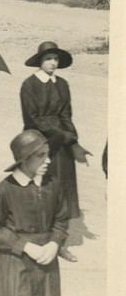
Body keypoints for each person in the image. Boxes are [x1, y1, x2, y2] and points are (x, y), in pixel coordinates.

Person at [0, 129, 70, 296]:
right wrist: (24, 246)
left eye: (48, 154)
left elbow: (61, 219)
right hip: (16, 262)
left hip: (47, 258)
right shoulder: (5, 189)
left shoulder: (53, 184)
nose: (48, 160)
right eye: (40, 155)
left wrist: (55, 243)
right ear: (24, 160)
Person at [19, 41, 89, 241]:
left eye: (55, 59)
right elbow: (31, 117)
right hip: (40, 140)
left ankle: (59, 242)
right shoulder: (29, 84)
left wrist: (72, 137)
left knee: (63, 188)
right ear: (40, 61)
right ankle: (39, 238)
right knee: (42, 187)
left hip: (62, 142)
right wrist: (58, 133)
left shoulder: (62, 84)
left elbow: (66, 113)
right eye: (48, 58)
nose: (53, 63)